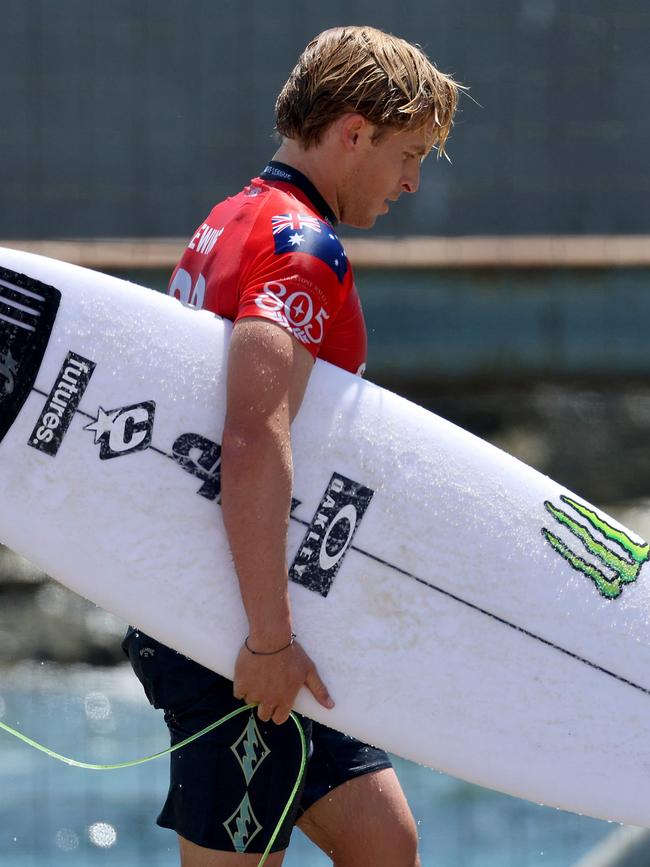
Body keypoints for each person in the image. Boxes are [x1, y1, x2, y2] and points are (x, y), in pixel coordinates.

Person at [123, 25, 460, 866]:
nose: (412, 181)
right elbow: (251, 435)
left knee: (384, 843)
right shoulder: (303, 247)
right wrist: (269, 640)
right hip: (236, 627)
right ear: (354, 132)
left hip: (231, 598)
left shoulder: (230, 219)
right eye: (408, 153)